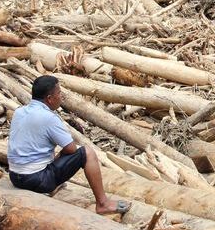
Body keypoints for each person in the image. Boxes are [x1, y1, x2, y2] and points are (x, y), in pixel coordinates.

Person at [7, 75, 128, 214]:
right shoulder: (49, 118)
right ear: (49, 99)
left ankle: (48, 177)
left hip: (15, 176)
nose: (61, 96)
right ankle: (102, 203)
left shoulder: (19, 111)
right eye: (59, 93)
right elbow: (70, 149)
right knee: (87, 152)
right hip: (36, 180)